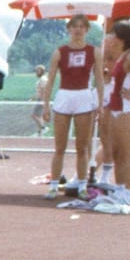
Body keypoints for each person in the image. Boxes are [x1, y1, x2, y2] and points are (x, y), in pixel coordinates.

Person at [45, 15, 101, 196]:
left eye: (82, 27)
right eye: (74, 26)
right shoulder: (59, 52)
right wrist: (45, 104)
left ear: (86, 30)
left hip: (84, 97)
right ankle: (54, 185)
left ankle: (82, 186)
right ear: (69, 29)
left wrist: (100, 103)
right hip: (64, 96)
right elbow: (51, 79)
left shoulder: (95, 51)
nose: (78, 30)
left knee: (82, 147)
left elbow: (99, 79)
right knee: (59, 146)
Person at [99, 20, 130, 193]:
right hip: (118, 108)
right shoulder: (124, 55)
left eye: (113, 34)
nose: (110, 37)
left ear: (121, 38)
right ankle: (120, 191)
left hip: (127, 109)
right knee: (119, 153)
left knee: (127, 154)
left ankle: (128, 194)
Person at [30, 65, 51, 135]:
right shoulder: (41, 79)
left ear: (42, 71)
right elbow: (39, 91)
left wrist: (42, 101)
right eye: (36, 71)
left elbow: (43, 91)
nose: (36, 72)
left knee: (34, 115)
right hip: (40, 99)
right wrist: (33, 98)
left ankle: (43, 128)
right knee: (38, 115)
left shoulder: (43, 79)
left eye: (38, 71)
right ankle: (40, 131)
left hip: (41, 100)